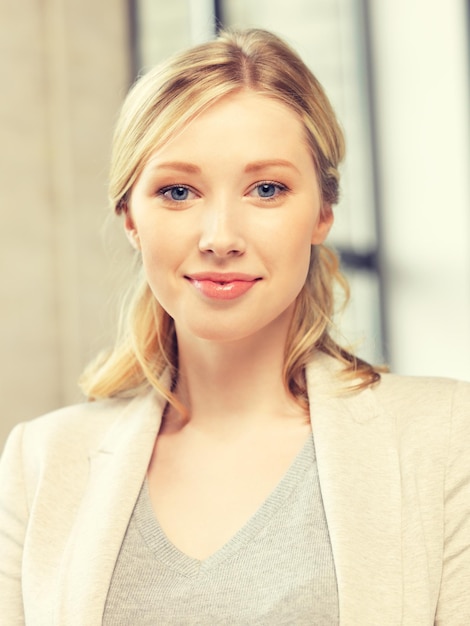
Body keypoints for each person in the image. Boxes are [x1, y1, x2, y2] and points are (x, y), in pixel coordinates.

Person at [1, 28, 469, 626]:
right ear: (130, 218)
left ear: (323, 212)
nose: (220, 237)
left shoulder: (448, 439)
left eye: (267, 189)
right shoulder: (40, 463)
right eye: (178, 191)